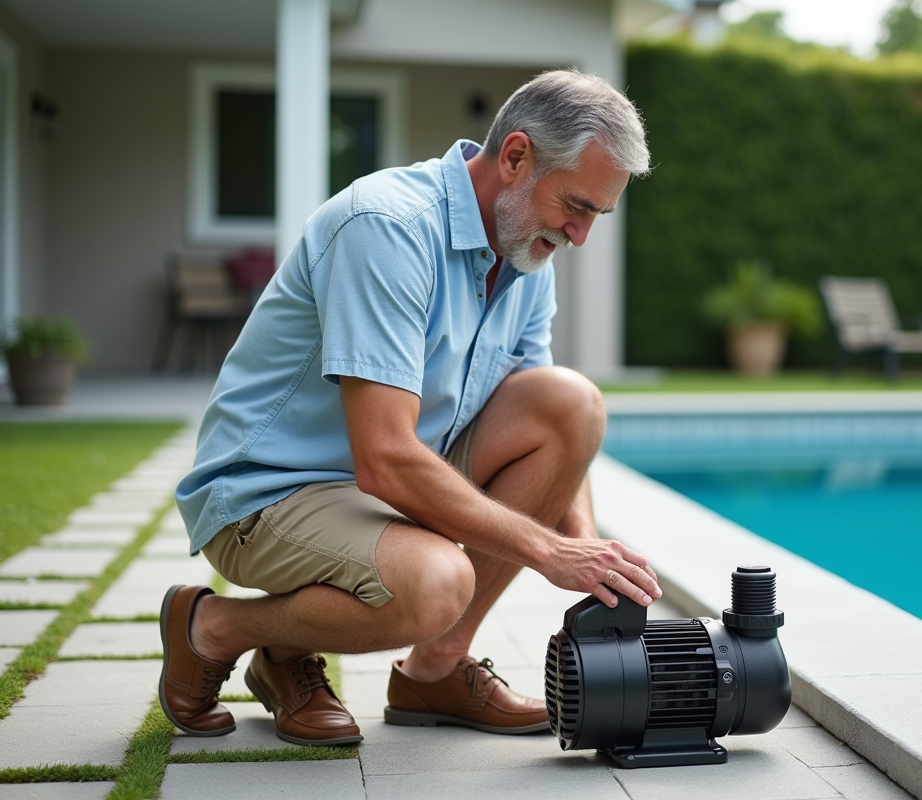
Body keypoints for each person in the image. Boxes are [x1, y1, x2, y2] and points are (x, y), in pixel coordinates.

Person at [160, 70, 660, 747]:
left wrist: (591, 557)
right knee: (434, 585)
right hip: (268, 493)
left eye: (597, 215)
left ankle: (435, 672)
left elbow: (547, 428)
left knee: (572, 403)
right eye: (576, 205)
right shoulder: (388, 228)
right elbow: (386, 459)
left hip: (384, 485)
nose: (580, 234)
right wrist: (546, 551)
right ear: (515, 157)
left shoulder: (526, 254)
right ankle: (215, 627)